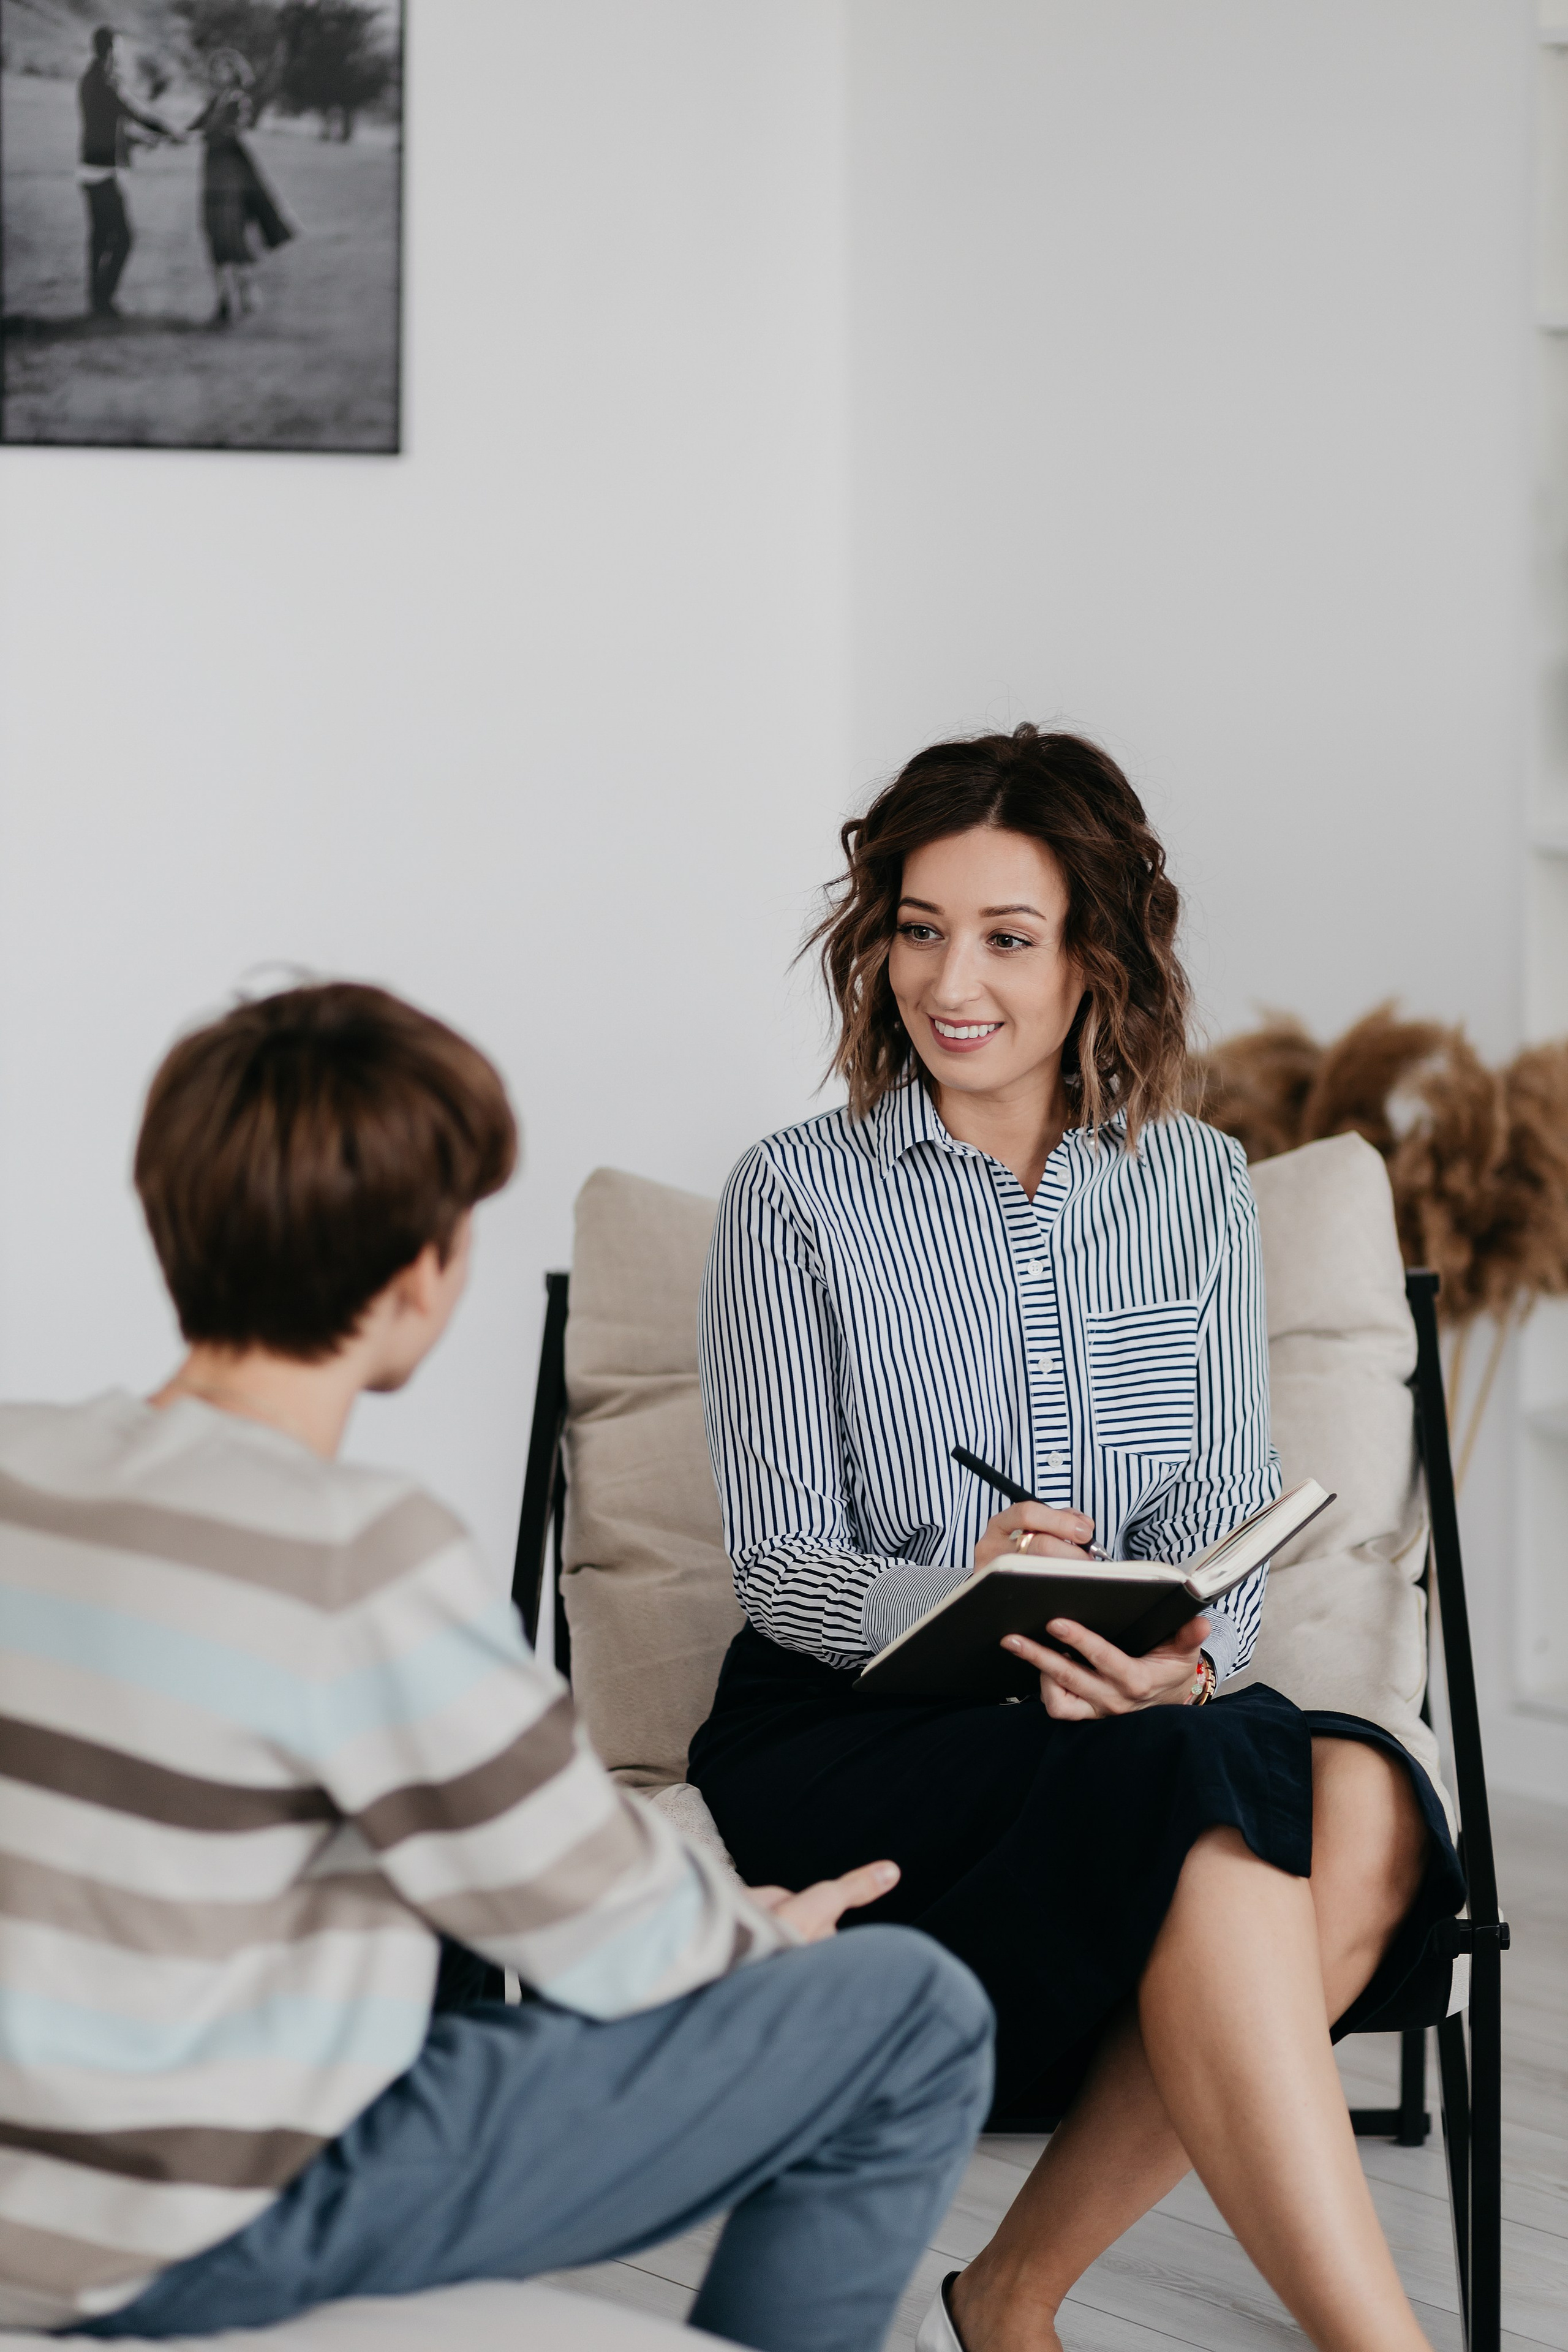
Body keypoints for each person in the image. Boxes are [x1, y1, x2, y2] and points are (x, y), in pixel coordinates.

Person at [0, 982, 993, 2351]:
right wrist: (759, 1942)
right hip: (186, 2232)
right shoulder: (353, 1550)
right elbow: (617, 1936)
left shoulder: (17, 1467)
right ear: (421, 1273)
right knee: (912, 2018)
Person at [687, 726, 1466, 2352]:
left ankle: (1014, 2291)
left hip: (1118, 1711)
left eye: (1005, 936)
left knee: (1373, 1805)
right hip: (859, 1722)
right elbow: (784, 1562)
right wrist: (964, 1587)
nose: (947, 978)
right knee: (1222, 1792)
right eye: (917, 926)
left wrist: (1190, 1654)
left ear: (1096, 957)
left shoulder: (1193, 1188)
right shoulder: (796, 1196)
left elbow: (1211, 1510)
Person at [184, 50, 293, 325]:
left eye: (223, 68)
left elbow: (230, 132)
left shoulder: (238, 103)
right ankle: (225, 301)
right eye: (215, 68)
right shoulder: (213, 103)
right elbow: (189, 130)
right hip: (211, 180)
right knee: (214, 241)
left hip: (232, 183)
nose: (217, 73)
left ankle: (242, 296)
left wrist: (204, 133)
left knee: (232, 241)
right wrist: (161, 137)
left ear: (234, 72)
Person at [76, 26, 177, 317]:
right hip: (102, 172)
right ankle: (103, 300)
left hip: (90, 169)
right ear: (110, 50)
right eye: (119, 50)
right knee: (123, 237)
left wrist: (144, 140)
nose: (120, 56)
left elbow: (109, 126)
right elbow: (137, 113)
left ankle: (97, 301)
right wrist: (172, 131)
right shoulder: (105, 84)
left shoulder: (90, 80)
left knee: (100, 236)